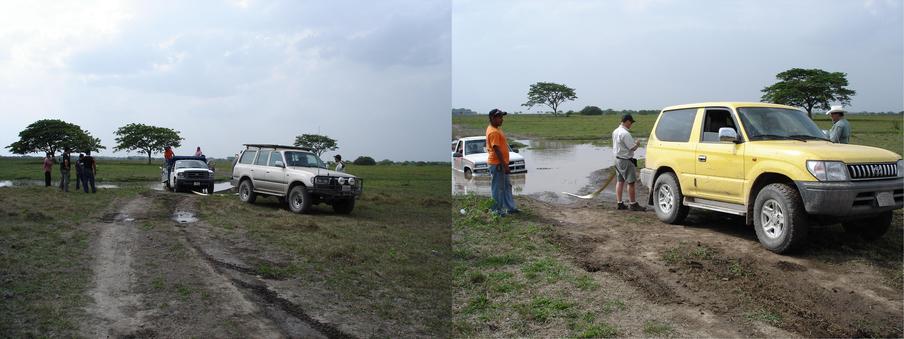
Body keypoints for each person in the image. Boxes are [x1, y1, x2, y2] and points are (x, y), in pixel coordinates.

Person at [486, 108, 519, 216]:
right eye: (499, 117)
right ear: (492, 118)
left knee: (506, 186)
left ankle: (510, 208)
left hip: (500, 163)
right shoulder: (493, 132)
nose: (502, 119)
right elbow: (497, 150)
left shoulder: (496, 129)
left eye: (502, 117)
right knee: (498, 188)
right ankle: (496, 211)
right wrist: (505, 165)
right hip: (497, 164)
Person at [612, 114, 646, 211]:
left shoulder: (615, 131)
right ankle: (633, 204)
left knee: (620, 181)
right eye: (631, 122)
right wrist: (637, 144)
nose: (631, 124)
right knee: (631, 182)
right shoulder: (625, 134)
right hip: (625, 160)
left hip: (617, 159)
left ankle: (620, 203)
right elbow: (633, 148)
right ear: (627, 121)